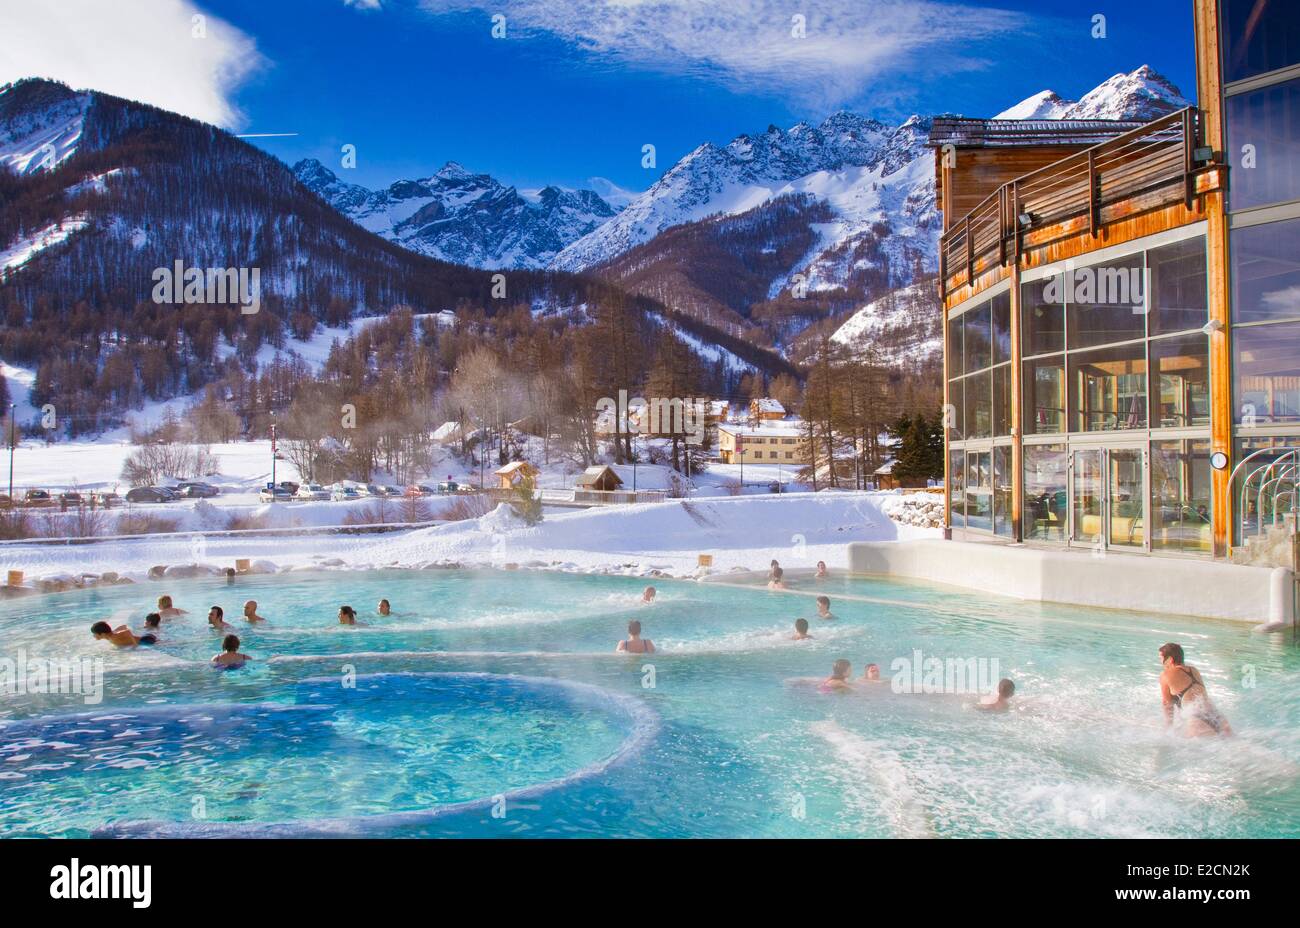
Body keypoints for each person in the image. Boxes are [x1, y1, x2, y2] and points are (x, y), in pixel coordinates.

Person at [1159, 642, 1232, 737]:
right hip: (1216, 716)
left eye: (1161, 658)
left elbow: (1167, 704)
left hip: (1197, 719)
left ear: (1170, 659)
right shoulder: (1194, 670)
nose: (1160, 661)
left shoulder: (1165, 675)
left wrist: (1169, 728)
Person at [91, 621, 155, 648]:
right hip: (145, 638)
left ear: (102, 634)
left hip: (145, 640)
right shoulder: (111, 635)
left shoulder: (114, 637)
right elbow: (123, 626)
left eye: (94, 634)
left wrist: (135, 645)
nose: (93, 636)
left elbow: (127, 631)